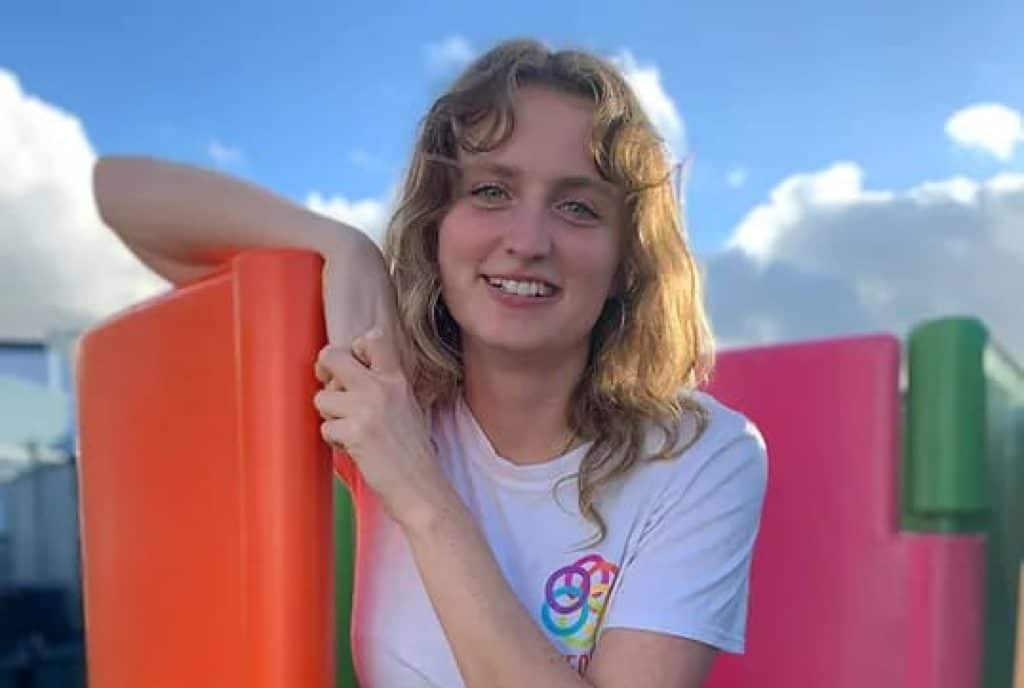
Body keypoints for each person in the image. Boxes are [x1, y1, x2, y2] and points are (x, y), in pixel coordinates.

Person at [94, 39, 767, 688]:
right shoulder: (387, 377)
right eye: (491, 192)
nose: (528, 242)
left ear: (628, 259)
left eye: (577, 206)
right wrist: (341, 246)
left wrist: (416, 487)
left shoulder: (701, 455)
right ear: (435, 226)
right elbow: (120, 192)